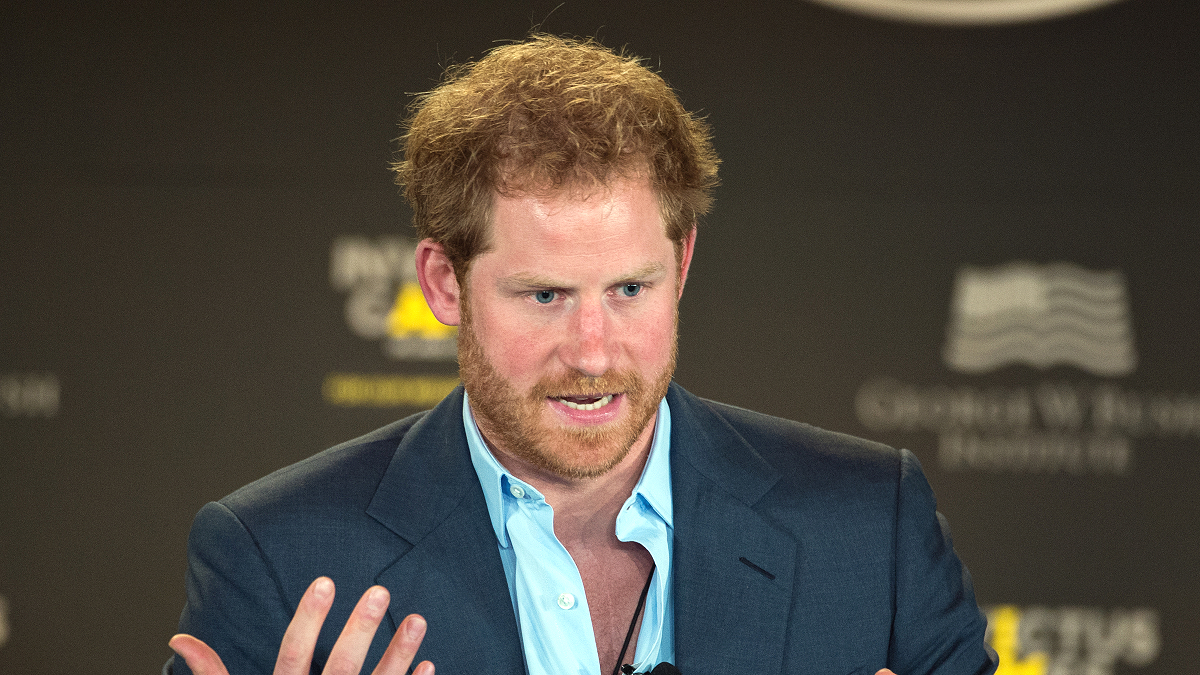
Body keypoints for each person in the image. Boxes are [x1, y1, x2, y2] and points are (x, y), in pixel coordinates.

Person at [166, 35, 998, 675]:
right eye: (545, 296)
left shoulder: (869, 526)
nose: (594, 354)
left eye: (630, 290)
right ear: (444, 283)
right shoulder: (277, 555)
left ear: (682, 264)